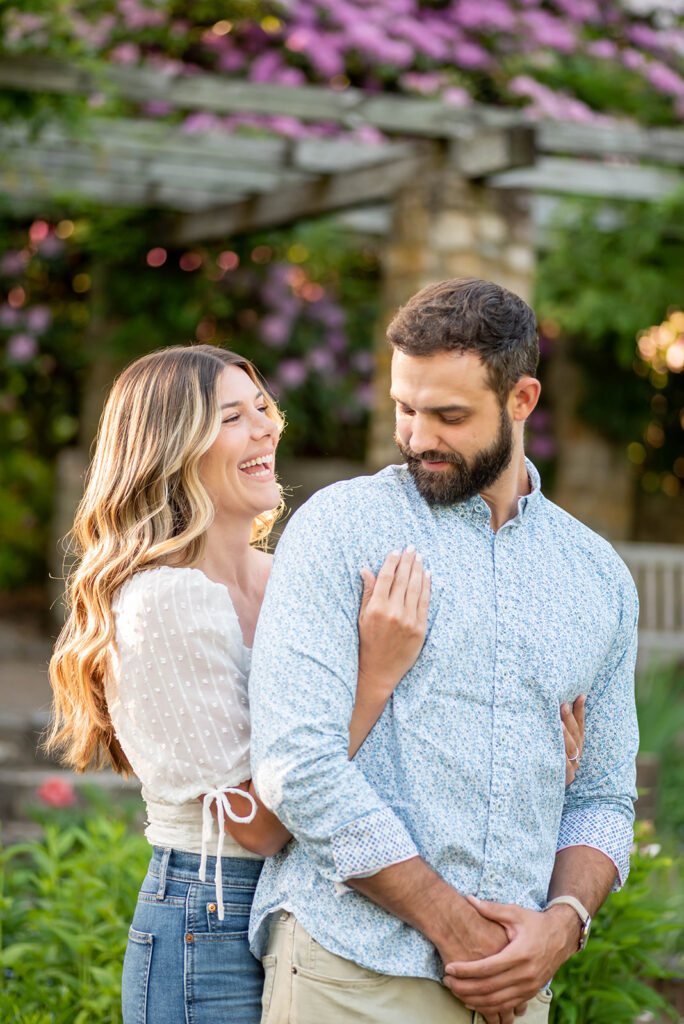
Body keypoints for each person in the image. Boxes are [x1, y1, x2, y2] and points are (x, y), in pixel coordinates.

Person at [247, 278, 639, 1024]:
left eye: (449, 416)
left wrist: (562, 927)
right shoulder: (340, 529)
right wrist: (455, 929)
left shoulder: (598, 580)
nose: (419, 435)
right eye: (405, 408)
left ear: (522, 401)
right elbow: (297, 763)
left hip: (516, 989)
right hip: (350, 974)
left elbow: (603, 796)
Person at [46, 345, 435, 1024]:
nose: (267, 429)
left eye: (263, 408)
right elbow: (256, 825)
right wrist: (375, 674)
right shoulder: (164, 603)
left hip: (308, 906)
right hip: (211, 918)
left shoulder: (287, 577)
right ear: (172, 449)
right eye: (233, 416)